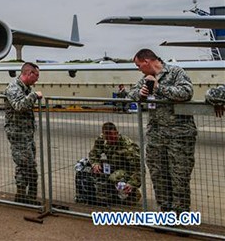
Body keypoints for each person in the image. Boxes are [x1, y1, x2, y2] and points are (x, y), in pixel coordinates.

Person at [127, 48, 196, 215]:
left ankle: (180, 215)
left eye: (139, 66)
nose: (139, 69)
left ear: (147, 61)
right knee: (159, 175)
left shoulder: (175, 72)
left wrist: (159, 87)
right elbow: (130, 96)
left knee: (179, 177)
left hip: (179, 135)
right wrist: (141, 93)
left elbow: (187, 92)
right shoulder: (146, 79)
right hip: (156, 135)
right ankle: (165, 213)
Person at [75, 122, 141, 206]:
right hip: (112, 165)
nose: (110, 140)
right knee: (86, 168)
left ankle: (133, 194)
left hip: (126, 170)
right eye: (108, 138)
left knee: (114, 177)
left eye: (112, 137)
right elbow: (93, 153)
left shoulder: (128, 147)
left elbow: (138, 169)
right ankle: (106, 194)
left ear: (117, 133)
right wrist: (95, 163)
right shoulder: (102, 139)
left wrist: (132, 183)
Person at [3, 62, 42, 204]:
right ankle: (30, 197)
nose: (37, 79)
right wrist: (33, 96)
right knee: (29, 165)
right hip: (18, 134)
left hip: (26, 133)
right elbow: (19, 106)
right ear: (28, 73)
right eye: (36, 75)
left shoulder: (25, 88)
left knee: (22, 165)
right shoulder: (14, 87)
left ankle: (21, 196)